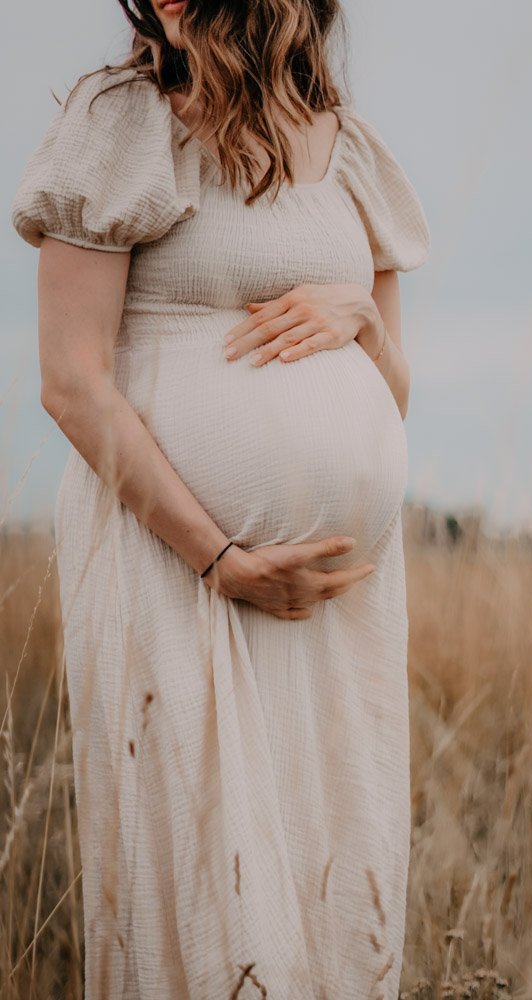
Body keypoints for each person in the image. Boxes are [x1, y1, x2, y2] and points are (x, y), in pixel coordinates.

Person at [10, 0, 430, 996]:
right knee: (207, 890)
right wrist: (219, 557)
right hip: (175, 569)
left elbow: (393, 394)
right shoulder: (121, 123)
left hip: (336, 599)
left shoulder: (350, 148)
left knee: (334, 880)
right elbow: (72, 380)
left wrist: (360, 322)